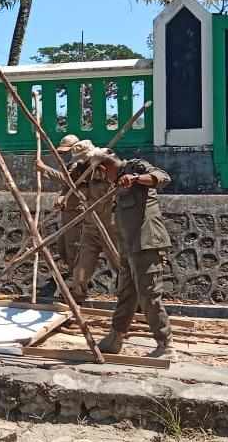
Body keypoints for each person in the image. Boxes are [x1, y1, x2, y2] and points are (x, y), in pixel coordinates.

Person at [92, 149, 174, 359]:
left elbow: (162, 177)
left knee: (149, 295)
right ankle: (116, 337)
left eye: (101, 174)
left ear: (104, 168)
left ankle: (165, 344)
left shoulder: (135, 167)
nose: (104, 179)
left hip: (146, 244)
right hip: (128, 248)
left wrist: (136, 178)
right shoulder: (117, 183)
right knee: (126, 294)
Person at [63, 140, 121, 303]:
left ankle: (132, 300)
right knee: (81, 268)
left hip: (109, 226)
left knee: (120, 264)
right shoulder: (81, 170)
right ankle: (77, 299)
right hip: (90, 227)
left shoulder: (110, 166)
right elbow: (70, 186)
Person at [35, 134, 82, 298]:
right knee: (63, 247)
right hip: (68, 211)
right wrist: (62, 198)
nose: (64, 154)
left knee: (73, 249)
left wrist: (45, 168)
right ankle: (72, 276)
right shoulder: (70, 163)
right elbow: (67, 186)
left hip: (77, 212)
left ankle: (77, 286)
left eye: (66, 151)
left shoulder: (81, 163)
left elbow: (69, 180)